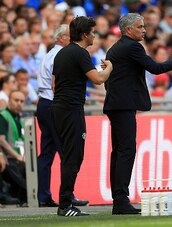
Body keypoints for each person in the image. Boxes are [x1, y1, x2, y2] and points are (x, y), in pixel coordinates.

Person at [104, 13, 172, 215]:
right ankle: (121, 200)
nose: (144, 30)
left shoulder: (116, 47)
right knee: (126, 151)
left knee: (119, 151)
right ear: (129, 29)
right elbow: (155, 68)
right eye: (140, 27)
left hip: (116, 104)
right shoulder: (132, 47)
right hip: (123, 105)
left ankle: (119, 199)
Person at [51, 16, 113, 217]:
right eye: (93, 32)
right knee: (73, 157)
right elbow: (98, 79)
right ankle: (65, 204)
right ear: (85, 35)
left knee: (69, 155)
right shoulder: (80, 53)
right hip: (70, 109)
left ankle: (65, 202)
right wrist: (109, 68)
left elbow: (54, 84)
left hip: (59, 107)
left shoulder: (61, 53)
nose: (95, 35)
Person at [37, 24, 89, 208]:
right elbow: (55, 82)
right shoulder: (62, 55)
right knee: (67, 151)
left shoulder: (49, 55)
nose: (73, 38)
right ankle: (67, 196)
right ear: (61, 38)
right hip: (56, 104)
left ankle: (44, 195)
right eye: (69, 36)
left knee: (46, 152)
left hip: (43, 103)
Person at [0, 90, 27, 205]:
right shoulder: (3, 116)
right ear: (8, 101)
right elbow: (1, 139)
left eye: (21, 101)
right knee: (14, 169)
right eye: (16, 100)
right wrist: (17, 156)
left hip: (20, 158)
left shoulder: (20, 119)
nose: (19, 103)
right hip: (9, 157)